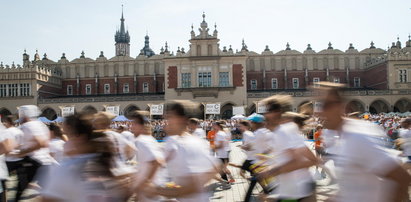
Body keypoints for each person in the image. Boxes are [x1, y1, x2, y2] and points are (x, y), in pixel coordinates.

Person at [315, 81, 411, 202]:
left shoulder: (357, 136)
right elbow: (353, 187)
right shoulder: (343, 137)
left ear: (340, 106)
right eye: (318, 106)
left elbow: (402, 177)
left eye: (325, 105)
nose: (319, 112)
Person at [41, 113, 131, 201]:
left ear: (78, 137)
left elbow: (48, 199)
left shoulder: (69, 169)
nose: (65, 142)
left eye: (67, 134)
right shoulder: (103, 160)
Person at [145, 100, 218, 201]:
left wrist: (157, 191)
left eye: (170, 117)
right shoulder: (174, 140)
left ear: (181, 119)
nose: (165, 122)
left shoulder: (189, 144)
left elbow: (193, 186)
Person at [259, 95, 318, 202]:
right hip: (291, 190)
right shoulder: (280, 131)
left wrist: (272, 171)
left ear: (277, 112)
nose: (265, 114)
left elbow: (308, 160)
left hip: (301, 191)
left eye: (268, 111)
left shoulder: (283, 131)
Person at [12, 105, 54, 201]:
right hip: (45, 161)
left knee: (20, 191)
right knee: (49, 191)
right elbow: (46, 141)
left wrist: (23, 152)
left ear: (24, 116)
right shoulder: (41, 124)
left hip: (33, 162)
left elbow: (41, 143)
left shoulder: (28, 125)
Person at [129, 111, 165, 202]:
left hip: (150, 189)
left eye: (134, 124)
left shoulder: (141, 141)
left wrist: (146, 183)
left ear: (141, 126)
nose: (131, 127)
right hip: (151, 188)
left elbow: (157, 161)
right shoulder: (149, 139)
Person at [213, 121, 235, 185]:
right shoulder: (224, 132)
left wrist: (212, 148)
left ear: (218, 126)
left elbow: (221, 145)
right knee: (223, 168)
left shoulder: (220, 133)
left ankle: (226, 182)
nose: (212, 126)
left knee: (220, 169)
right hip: (224, 152)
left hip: (222, 153)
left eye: (214, 125)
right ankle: (231, 179)